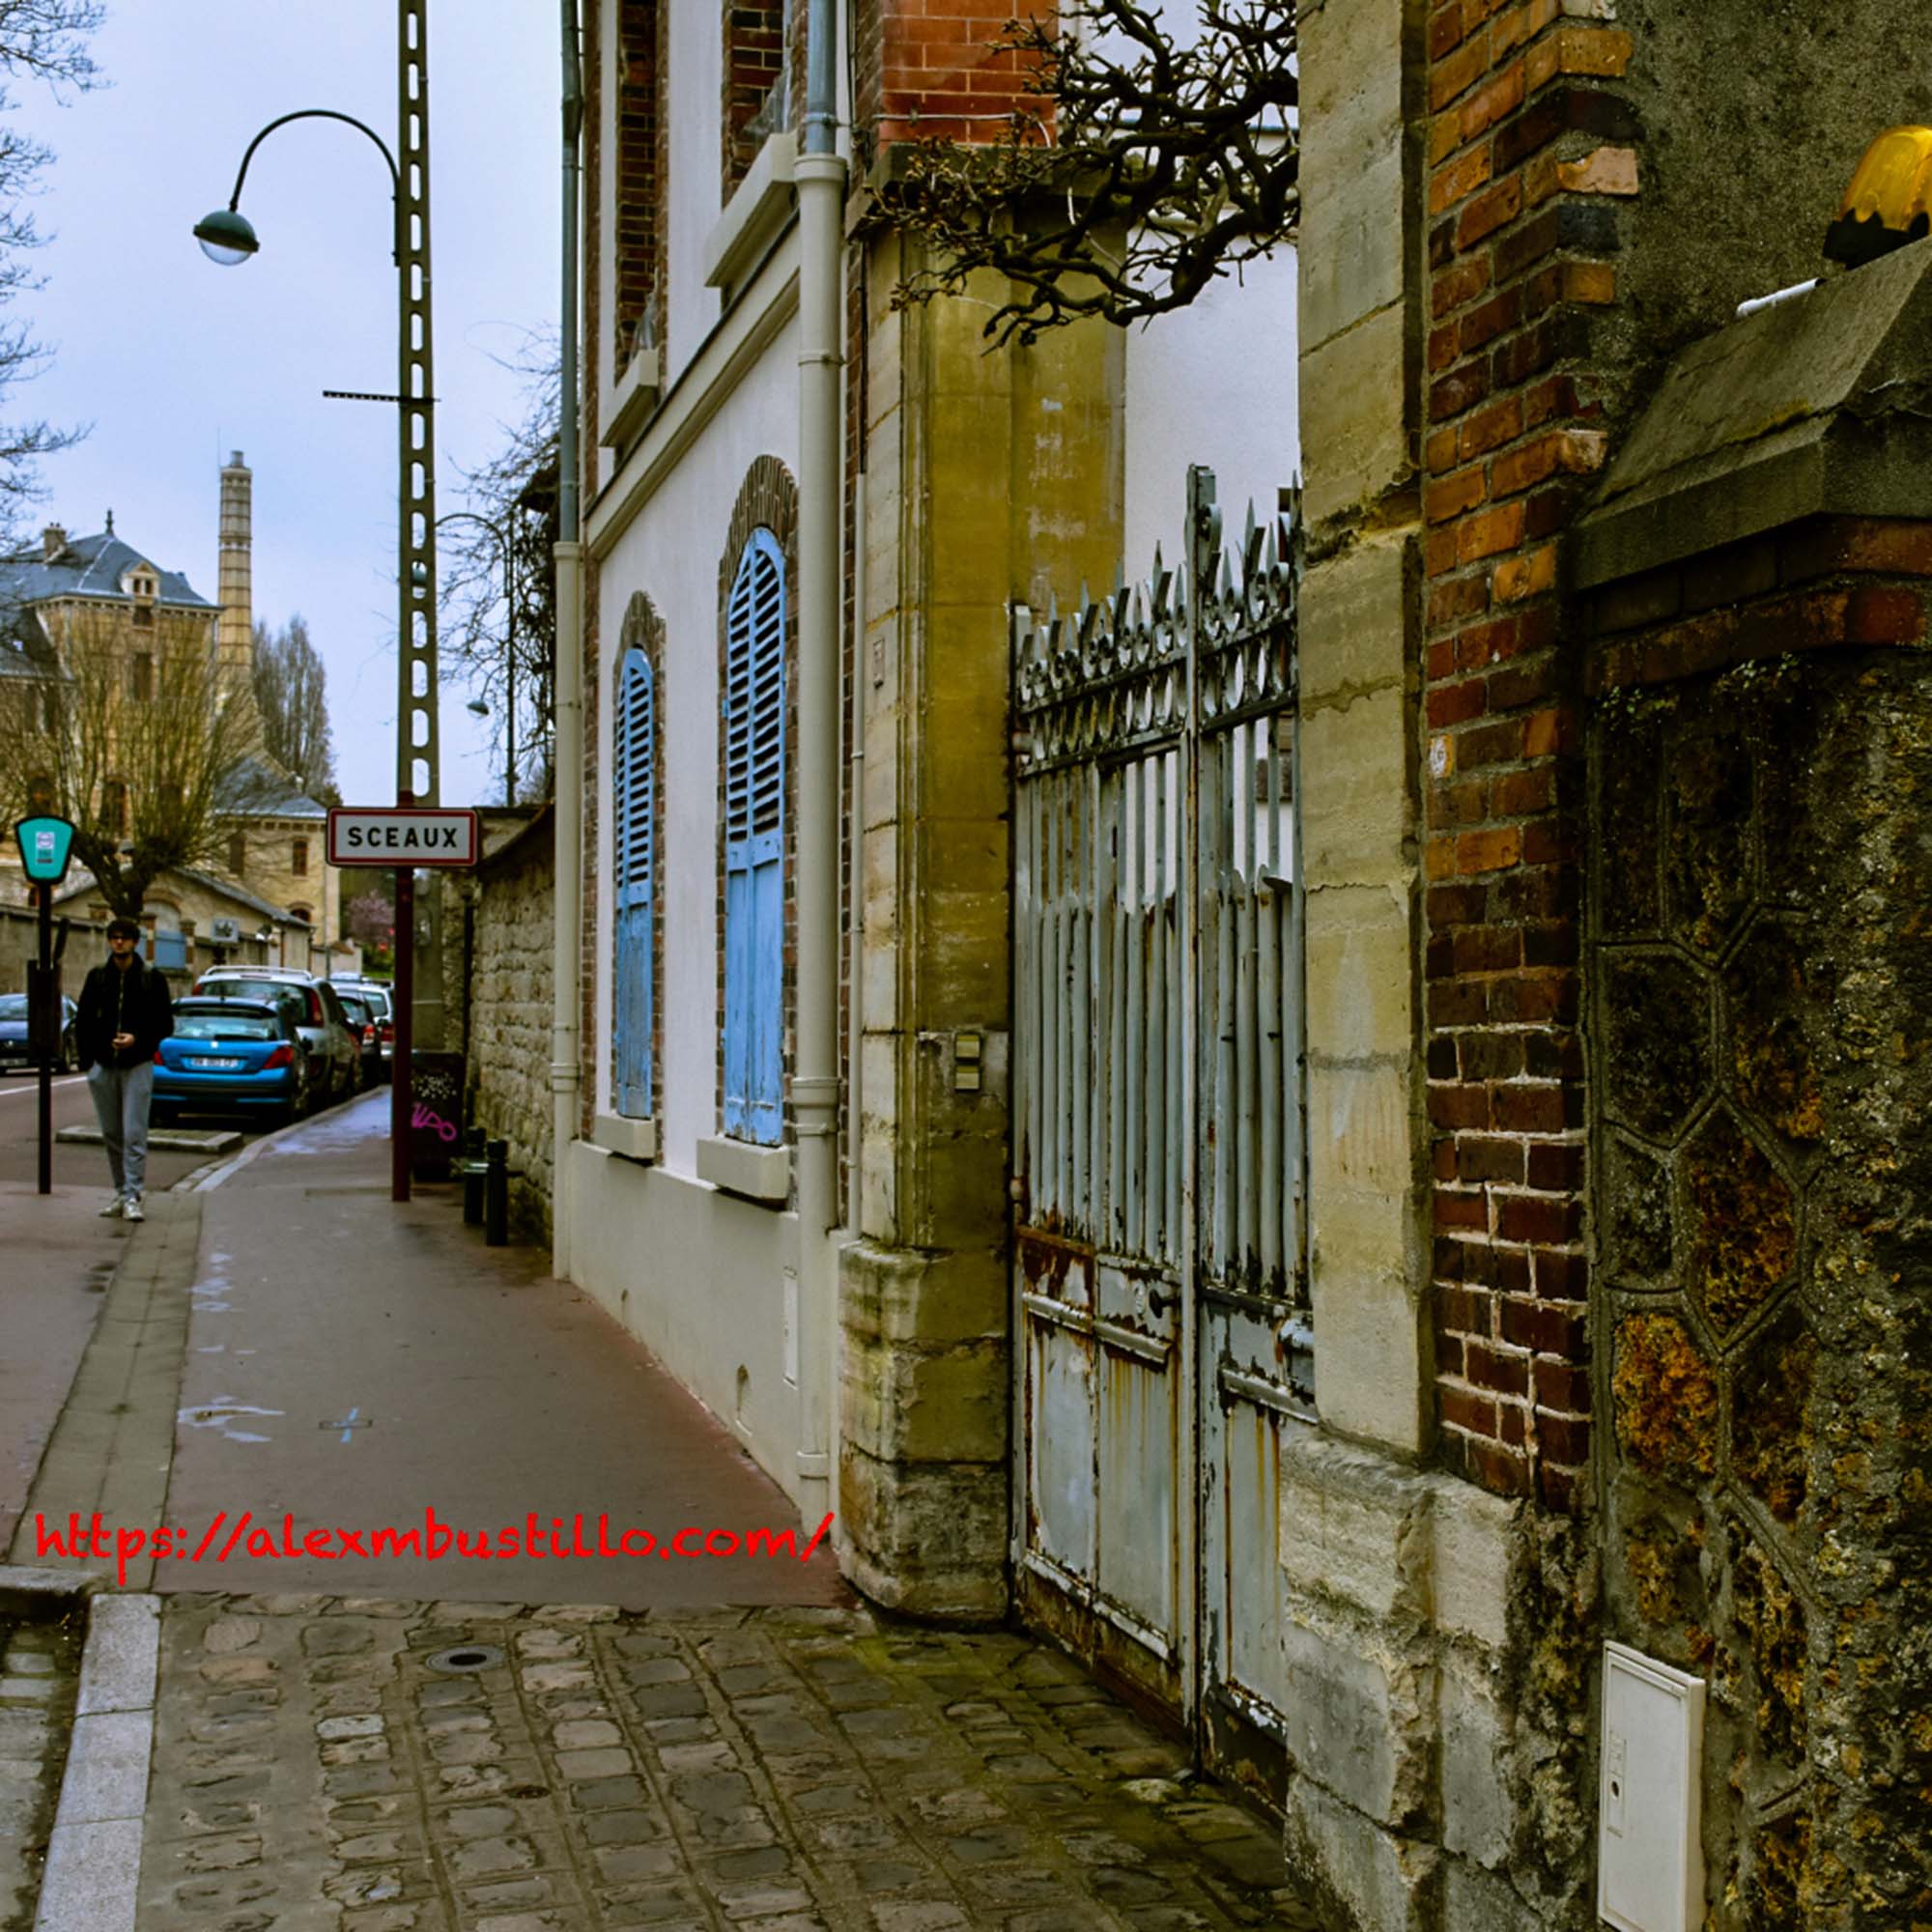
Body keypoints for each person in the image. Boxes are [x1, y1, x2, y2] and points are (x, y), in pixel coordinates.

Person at [75, 918, 174, 1222]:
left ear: (134, 942)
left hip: (138, 1064)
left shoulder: (151, 978)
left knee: (134, 1132)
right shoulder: (97, 978)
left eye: (125, 938)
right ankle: (120, 1191)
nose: (119, 943)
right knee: (111, 1133)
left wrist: (137, 1039)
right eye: (114, 938)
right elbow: (83, 1021)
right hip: (104, 1066)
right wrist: (88, 1061)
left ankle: (133, 1194)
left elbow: (165, 1024)